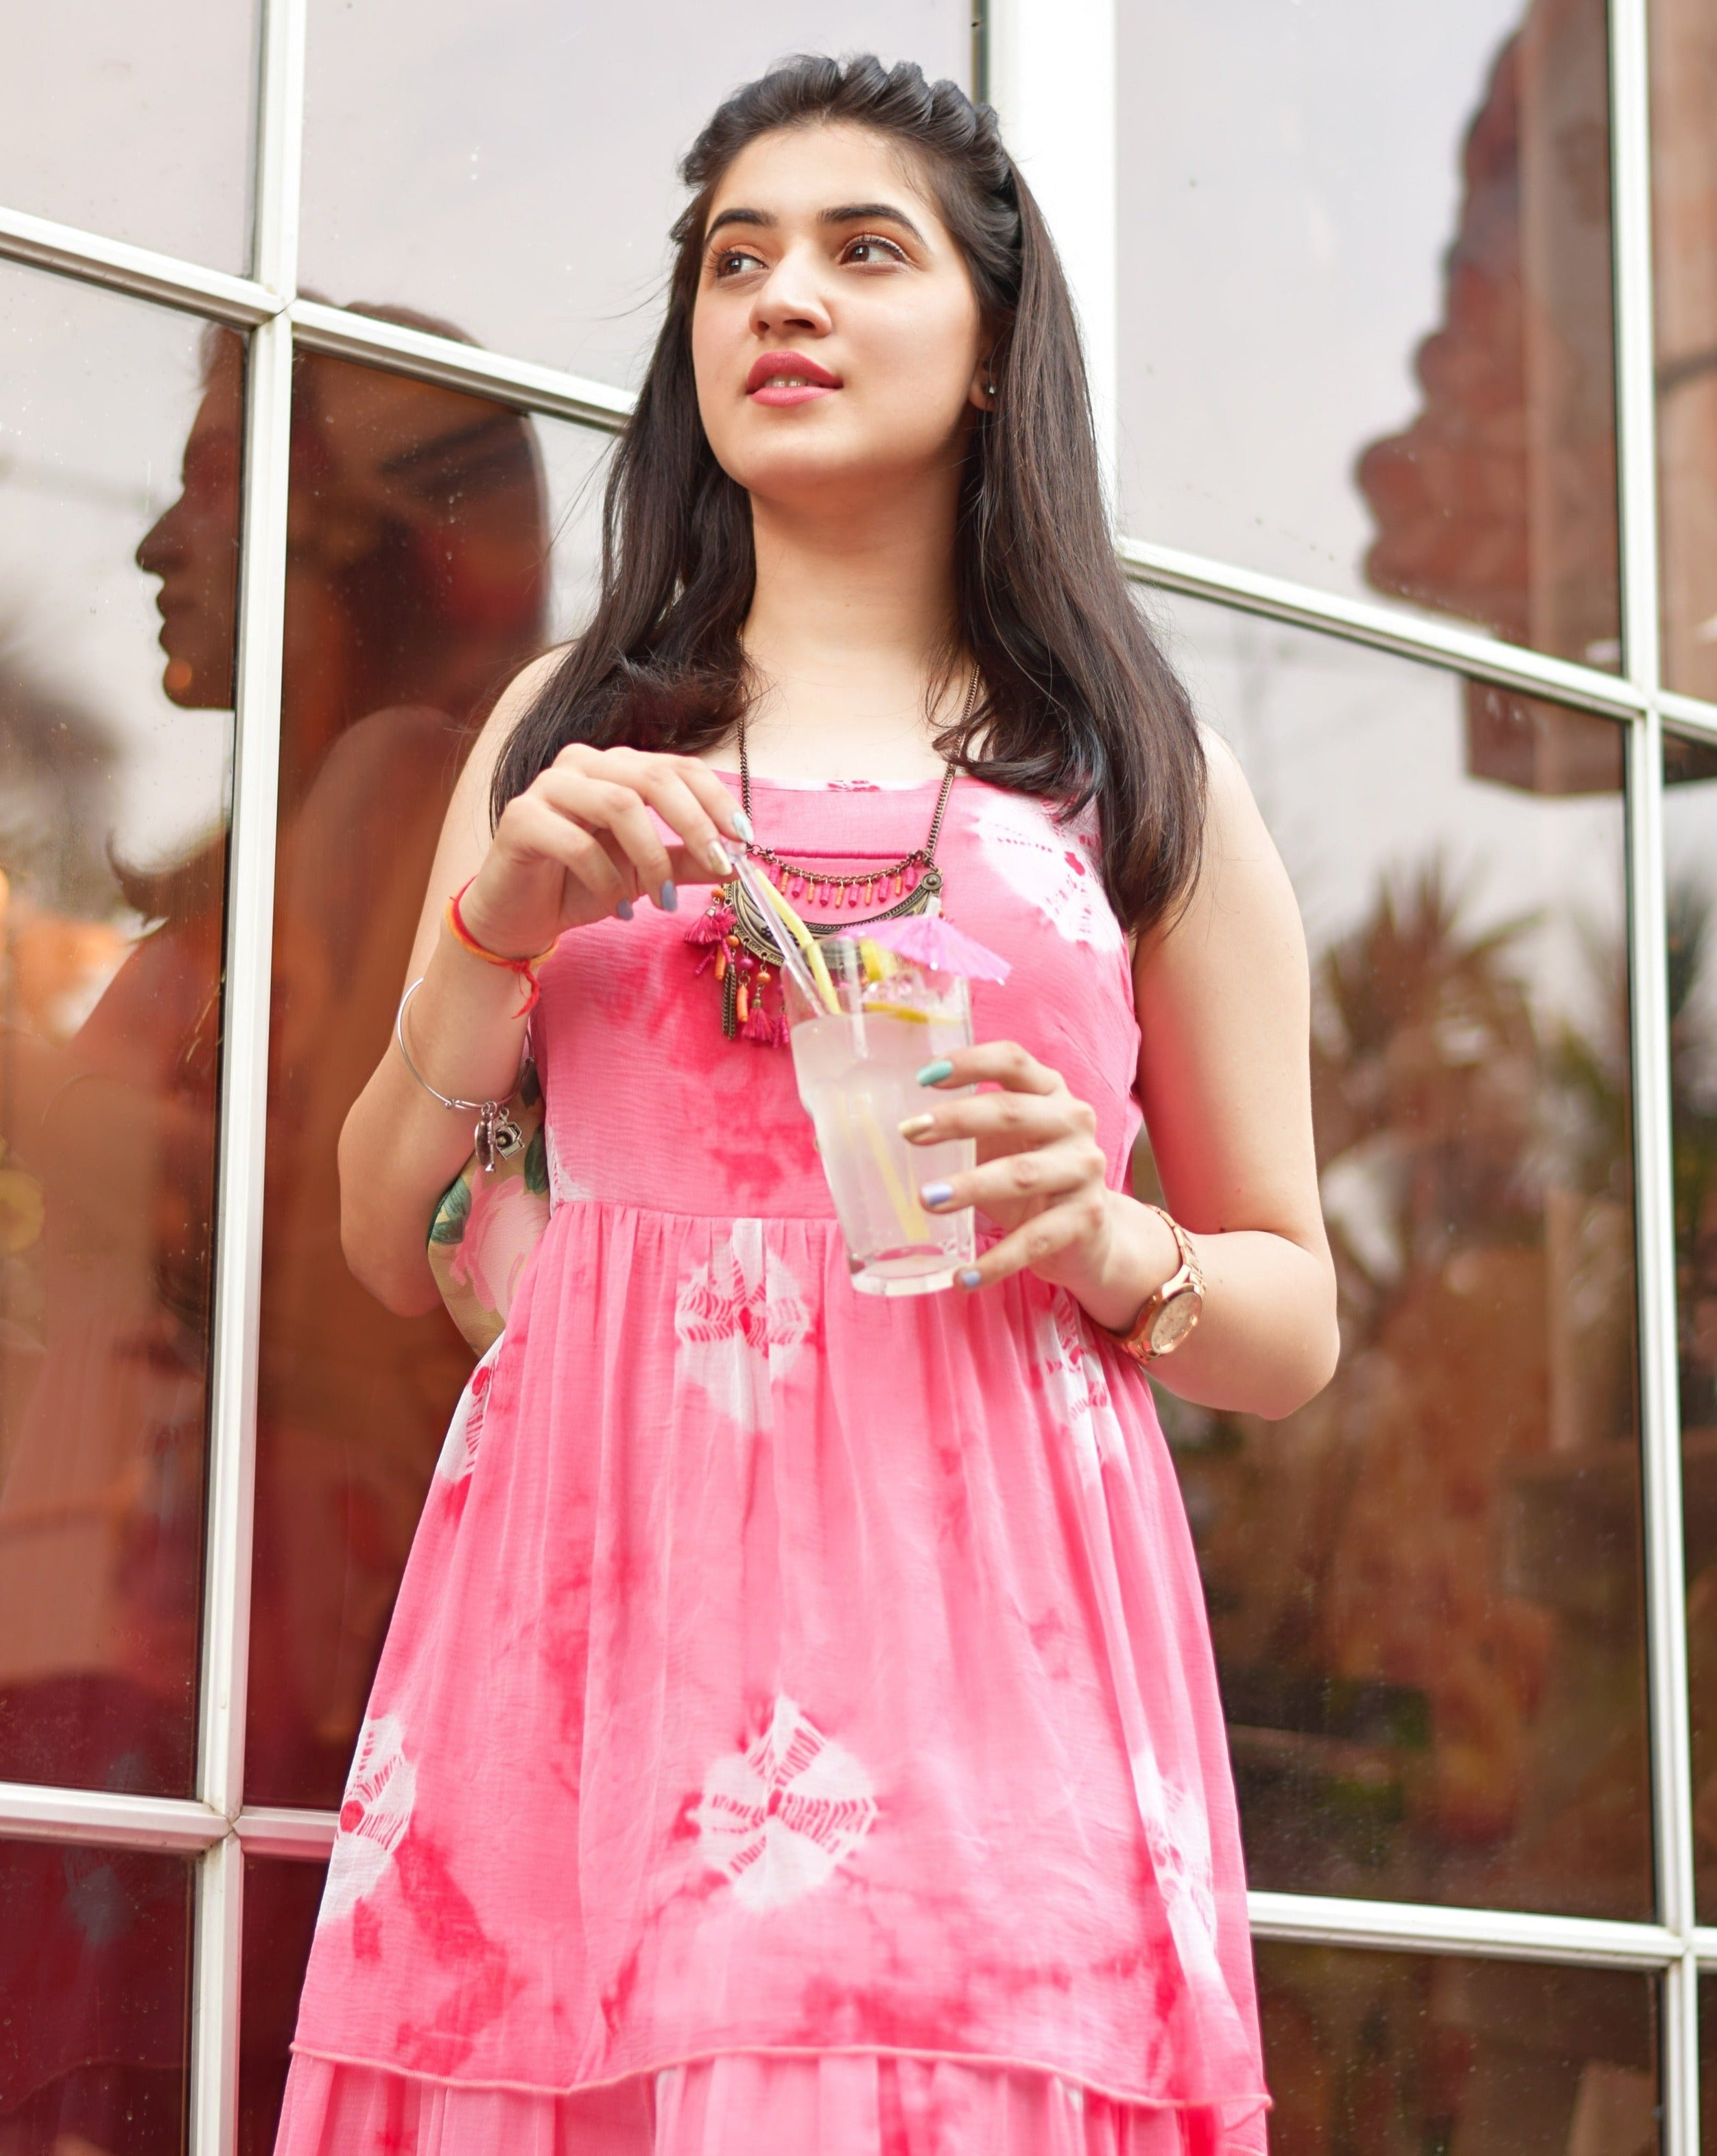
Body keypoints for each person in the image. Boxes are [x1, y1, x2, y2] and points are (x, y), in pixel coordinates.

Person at [278, 56, 1338, 2156]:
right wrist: (494, 931)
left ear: (993, 345)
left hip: (994, 1686)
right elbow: (383, 1237)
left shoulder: (1135, 775)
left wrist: (1122, 1247)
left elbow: (1296, 1319)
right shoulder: (563, 735)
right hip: (591, 1657)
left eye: (866, 251)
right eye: (737, 259)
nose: (786, 297)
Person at [0, 311, 551, 2156]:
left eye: (212, 477)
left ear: (353, 523)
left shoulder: (402, 788)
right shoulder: (274, 851)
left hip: (197, 1642)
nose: (160, 542)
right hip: (116, 1614)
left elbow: (272, 1238)